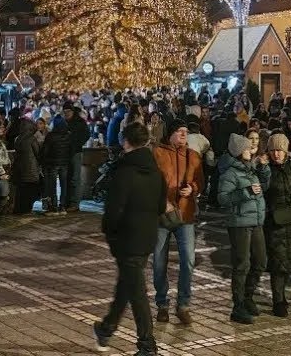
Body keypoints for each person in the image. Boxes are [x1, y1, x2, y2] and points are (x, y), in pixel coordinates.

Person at [93, 122, 163, 356]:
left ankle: (147, 345)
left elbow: (113, 211)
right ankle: (106, 328)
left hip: (126, 239)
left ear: (125, 142)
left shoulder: (124, 172)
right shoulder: (155, 171)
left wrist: (110, 233)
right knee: (127, 284)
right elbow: (161, 206)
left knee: (137, 293)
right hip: (147, 237)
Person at [151, 120, 203, 325]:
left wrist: (193, 188)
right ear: (170, 134)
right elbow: (150, 181)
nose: (183, 135)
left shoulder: (193, 155)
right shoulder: (158, 153)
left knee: (188, 259)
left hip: (185, 214)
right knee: (159, 262)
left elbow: (201, 181)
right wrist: (161, 201)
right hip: (161, 216)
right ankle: (162, 304)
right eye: (180, 131)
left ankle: (183, 304)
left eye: (185, 132)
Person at [218, 132, 270, 324]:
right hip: (239, 223)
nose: (251, 150)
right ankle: (238, 305)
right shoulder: (230, 173)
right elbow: (222, 198)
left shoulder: (250, 169)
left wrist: (264, 169)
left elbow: (265, 186)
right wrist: (245, 192)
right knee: (242, 264)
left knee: (261, 261)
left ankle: (248, 296)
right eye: (247, 148)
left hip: (256, 221)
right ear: (239, 151)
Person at [263, 132, 291, 316]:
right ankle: (278, 300)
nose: (276, 154)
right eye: (273, 150)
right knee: (277, 263)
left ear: (286, 150)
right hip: (275, 222)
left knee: (290, 261)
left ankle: (283, 296)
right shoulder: (266, 169)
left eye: (279, 150)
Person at [41, 115, 72, 215]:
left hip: (53, 163)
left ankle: (54, 207)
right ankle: (62, 207)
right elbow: (71, 149)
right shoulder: (68, 135)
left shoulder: (51, 136)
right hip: (64, 163)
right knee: (64, 185)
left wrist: (44, 161)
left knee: (52, 185)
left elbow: (45, 150)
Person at [65, 105, 91, 212]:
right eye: (65, 111)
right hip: (66, 153)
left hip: (75, 152)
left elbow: (87, 135)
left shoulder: (79, 122)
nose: (66, 113)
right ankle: (67, 202)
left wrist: (77, 143)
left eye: (68, 111)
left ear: (72, 111)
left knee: (75, 178)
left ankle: (75, 203)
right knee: (67, 178)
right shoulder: (65, 122)